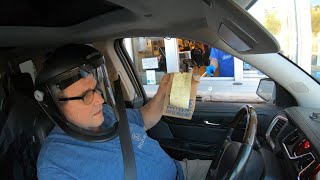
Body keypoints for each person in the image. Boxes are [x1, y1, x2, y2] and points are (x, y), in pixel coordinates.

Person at [35, 44, 211, 180]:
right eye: (86, 96)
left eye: (96, 89)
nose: (100, 100)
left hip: (181, 170)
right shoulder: (55, 163)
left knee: (233, 160)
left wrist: (162, 94)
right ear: (56, 107)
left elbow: (144, 119)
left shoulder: (106, 113)